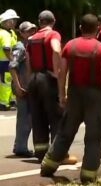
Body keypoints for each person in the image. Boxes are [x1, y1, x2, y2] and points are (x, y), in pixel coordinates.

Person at [40, 14, 101, 184]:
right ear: (97, 29)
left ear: (80, 27)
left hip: (74, 94)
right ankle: (88, 176)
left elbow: (61, 72)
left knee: (65, 132)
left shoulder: (70, 45)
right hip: (95, 96)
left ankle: (48, 167)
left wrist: (61, 94)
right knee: (94, 136)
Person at [26, 10, 77, 164]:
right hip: (47, 79)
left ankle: (41, 152)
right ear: (53, 21)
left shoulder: (31, 38)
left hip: (34, 79)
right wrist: (57, 72)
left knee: (38, 116)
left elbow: (28, 60)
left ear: (39, 22)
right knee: (56, 117)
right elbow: (56, 49)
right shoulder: (53, 35)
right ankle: (58, 154)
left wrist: (30, 78)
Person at [10, 21, 37, 157]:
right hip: (22, 88)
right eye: (28, 31)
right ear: (21, 33)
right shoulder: (19, 47)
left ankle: (20, 145)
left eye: (33, 30)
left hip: (28, 87)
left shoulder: (30, 46)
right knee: (24, 119)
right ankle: (20, 147)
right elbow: (12, 66)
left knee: (29, 118)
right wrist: (18, 86)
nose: (31, 33)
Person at [0, 9, 18, 111]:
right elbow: (6, 49)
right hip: (5, 62)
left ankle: (11, 101)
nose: (14, 22)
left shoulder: (10, 32)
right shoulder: (5, 34)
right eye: (13, 20)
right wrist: (13, 60)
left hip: (6, 61)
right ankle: (3, 103)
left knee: (10, 81)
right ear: (7, 21)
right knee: (6, 83)